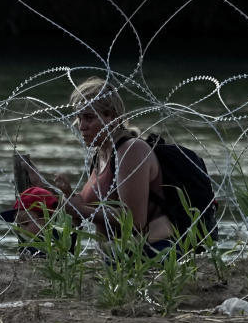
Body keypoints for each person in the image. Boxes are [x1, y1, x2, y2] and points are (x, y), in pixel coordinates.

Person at [55, 77, 177, 255]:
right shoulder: (101, 154)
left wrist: (79, 209)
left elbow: (134, 220)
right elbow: (89, 207)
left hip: (153, 252)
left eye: (89, 117)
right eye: (78, 117)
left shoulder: (131, 150)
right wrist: (62, 196)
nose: (81, 126)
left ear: (111, 116)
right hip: (116, 255)